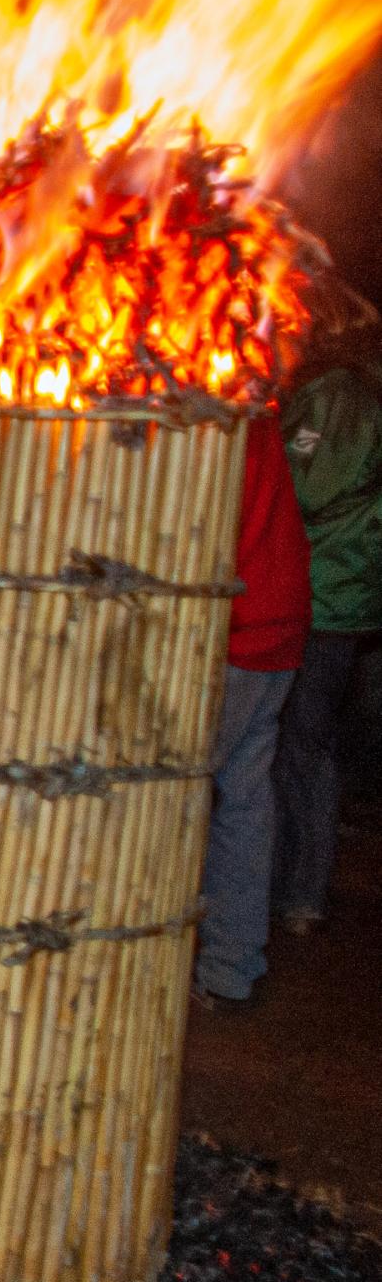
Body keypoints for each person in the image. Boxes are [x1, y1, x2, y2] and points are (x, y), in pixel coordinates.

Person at [275, 283, 382, 939]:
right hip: (341, 588)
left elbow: (307, 487)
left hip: (325, 592)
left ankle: (300, 890)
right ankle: (298, 887)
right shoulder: (354, 392)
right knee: (305, 743)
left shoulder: (338, 396)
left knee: (303, 745)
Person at [194, 417, 312, 1009]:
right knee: (243, 797)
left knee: (178, 799)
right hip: (278, 623)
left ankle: (158, 954)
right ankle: (231, 966)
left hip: (232, 630)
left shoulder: (209, 417)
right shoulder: (254, 415)